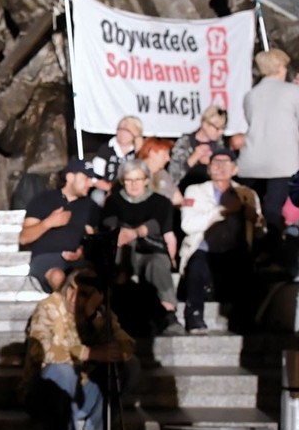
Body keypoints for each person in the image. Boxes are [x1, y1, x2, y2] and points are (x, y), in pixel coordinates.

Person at [23, 267, 136, 430]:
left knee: (129, 366)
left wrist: (94, 317)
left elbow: (126, 346)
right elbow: (39, 351)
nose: (74, 297)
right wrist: (87, 353)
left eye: (84, 294)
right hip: (47, 393)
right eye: (71, 289)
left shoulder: (98, 313)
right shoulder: (49, 307)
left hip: (84, 392)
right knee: (62, 370)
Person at [178, 149, 261, 333]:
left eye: (226, 163)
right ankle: (194, 318)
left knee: (248, 269)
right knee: (197, 265)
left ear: (235, 169)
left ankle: (243, 322)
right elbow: (188, 224)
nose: (221, 166)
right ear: (208, 169)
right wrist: (221, 211)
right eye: (216, 162)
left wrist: (256, 221)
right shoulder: (195, 191)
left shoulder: (247, 194)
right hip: (204, 250)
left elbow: (260, 232)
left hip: (234, 252)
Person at [102, 159, 183, 335]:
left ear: (146, 180)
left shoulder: (161, 202)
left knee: (158, 263)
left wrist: (172, 258)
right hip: (123, 253)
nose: (133, 184)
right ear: (123, 181)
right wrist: (129, 233)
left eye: (138, 179)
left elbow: (168, 233)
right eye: (129, 180)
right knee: (119, 249)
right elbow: (110, 225)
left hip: (151, 251)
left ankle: (168, 313)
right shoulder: (113, 202)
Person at [235, 49, 299, 241]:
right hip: (282, 163)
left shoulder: (250, 95)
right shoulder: (293, 92)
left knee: (255, 212)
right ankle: (273, 254)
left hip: (251, 163)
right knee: (273, 212)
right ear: (280, 68)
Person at [19, 159, 101, 292]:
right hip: (47, 259)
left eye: (91, 179)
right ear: (70, 177)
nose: (90, 183)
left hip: (77, 261)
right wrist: (49, 222)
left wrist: (81, 252)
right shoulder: (43, 199)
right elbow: (24, 238)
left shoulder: (90, 206)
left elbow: (92, 239)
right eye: (86, 177)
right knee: (58, 277)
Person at [167, 105, 230, 193]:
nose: (221, 132)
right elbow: (172, 178)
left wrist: (211, 164)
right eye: (217, 128)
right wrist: (194, 158)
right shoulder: (185, 142)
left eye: (223, 128)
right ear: (204, 124)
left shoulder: (220, 145)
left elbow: (226, 177)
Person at [89, 115, 143, 204]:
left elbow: (145, 173)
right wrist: (111, 189)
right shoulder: (107, 148)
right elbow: (94, 177)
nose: (122, 133)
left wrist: (139, 150)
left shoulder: (138, 151)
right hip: (108, 189)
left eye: (127, 131)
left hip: (132, 189)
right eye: (120, 129)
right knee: (97, 196)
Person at [135, 137, 184, 207]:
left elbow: (178, 199)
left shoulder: (163, 174)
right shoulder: (134, 173)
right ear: (152, 153)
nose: (168, 159)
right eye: (164, 154)